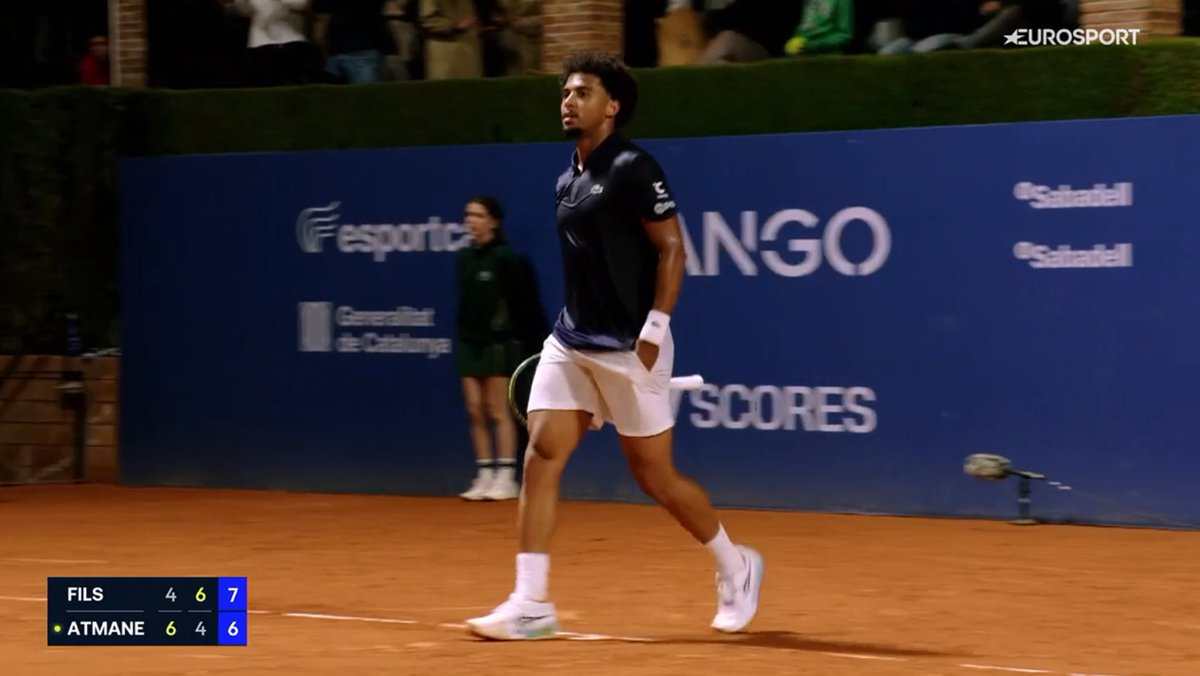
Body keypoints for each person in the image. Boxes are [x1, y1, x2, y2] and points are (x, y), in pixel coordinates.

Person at [466, 52, 764, 641]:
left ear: (613, 105)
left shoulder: (634, 167)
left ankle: (738, 565)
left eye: (582, 92)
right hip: (572, 339)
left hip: (632, 347)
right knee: (541, 454)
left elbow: (672, 248)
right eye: (566, 93)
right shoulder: (566, 177)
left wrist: (655, 327)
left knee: (655, 477)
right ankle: (530, 603)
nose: (568, 101)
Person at [454, 196, 529, 501]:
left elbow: (517, 304)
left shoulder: (506, 258)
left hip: (497, 344)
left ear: (493, 221)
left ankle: (506, 475)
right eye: (468, 214)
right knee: (475, 410)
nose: (471, 220)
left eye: (478, 215)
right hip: (468, 343)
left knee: (498, 411)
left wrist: (507, 332)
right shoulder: (463, 259)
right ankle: (484, 473)